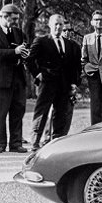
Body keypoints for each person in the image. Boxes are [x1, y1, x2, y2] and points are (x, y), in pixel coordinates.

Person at [25, 14, 81, 151]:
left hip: (65, 84)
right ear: (50, 25)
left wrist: (74, 83)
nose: (58, 27)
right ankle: (35, 143)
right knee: (41, 112)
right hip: (47, 83)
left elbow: (76, 66)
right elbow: (29, 60)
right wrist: (38, 74)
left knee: (61, 114)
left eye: (61, 24)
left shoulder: (71, 45)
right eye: (55, 24)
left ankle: (57, 143)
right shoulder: (42, 41)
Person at [0, 3, 29, 153]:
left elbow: (24, 47)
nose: (16, 22)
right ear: (4, 17)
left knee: (18, 111)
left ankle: (16, 143)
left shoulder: (18, 32)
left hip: (18, 79)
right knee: (0, 113)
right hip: (2, 80)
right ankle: (0, 144)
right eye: (14, 19)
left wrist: (24, 53)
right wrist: (14, 52)